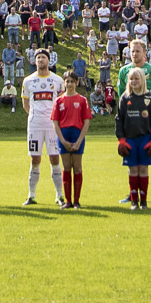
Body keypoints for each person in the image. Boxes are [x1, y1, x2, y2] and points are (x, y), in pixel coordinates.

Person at [116, 39, 151, 204]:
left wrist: (149, 114)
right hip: (131, 123)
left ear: (145, 53)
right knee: (131, 157)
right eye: (132, 51)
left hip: (148, 123)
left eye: (138, 51)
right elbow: (121, 96)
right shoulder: (124, 72)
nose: (134, 54)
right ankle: (132, 194)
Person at [19, 49, 65, 206]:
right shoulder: (28, 81)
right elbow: (25, 103)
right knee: (35, 159)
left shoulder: (57, 80)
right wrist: (34, 115)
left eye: (43, 57)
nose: (40, 60)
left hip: (52, 125)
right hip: (35, 124)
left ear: (49, 60)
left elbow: (62, 101)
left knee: (54, 158)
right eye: (38, 57)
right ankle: (31, 195)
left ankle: (59, 195)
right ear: (34, 60)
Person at [115, 66, 151, 209]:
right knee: (133, 170)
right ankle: (134, 201)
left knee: (143, 170)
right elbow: (119, 119)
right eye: (131, 79)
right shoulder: (124, 98)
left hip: (145, 139)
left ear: (142, 80)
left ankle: (144, 201)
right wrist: (121, 139)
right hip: (130, 140)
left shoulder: (149, 98)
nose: (134, 81)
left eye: (136, 78)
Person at [52, 80, 93, 208]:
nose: (69, 84)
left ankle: (76, 201)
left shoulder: (82, 100)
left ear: (76, 83)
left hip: (77, 134)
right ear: (64, 83)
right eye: (67, 81)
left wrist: (79, 141)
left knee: (77, 167)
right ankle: (68, 201)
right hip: (63, 135)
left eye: (72, 82)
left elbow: (86, 122)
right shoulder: (59, 100)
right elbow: (55, 123)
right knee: (66, 167)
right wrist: (63, 141)